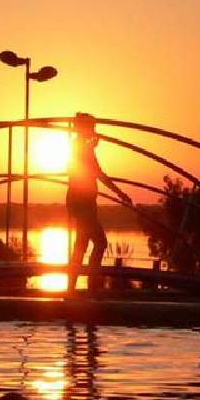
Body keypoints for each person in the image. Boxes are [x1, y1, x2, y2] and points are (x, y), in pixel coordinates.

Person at [66, 112, 129, 294]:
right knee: (99, 243)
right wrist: (90, 146)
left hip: (85, 202)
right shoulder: (79, 147)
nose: (94, 131)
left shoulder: (84, 148)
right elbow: (83, 168)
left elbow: (99, 174)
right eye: (91, 128)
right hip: (82, 202)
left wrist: (120, 194)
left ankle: (75, 287)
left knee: (82, 244)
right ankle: (91, 285)